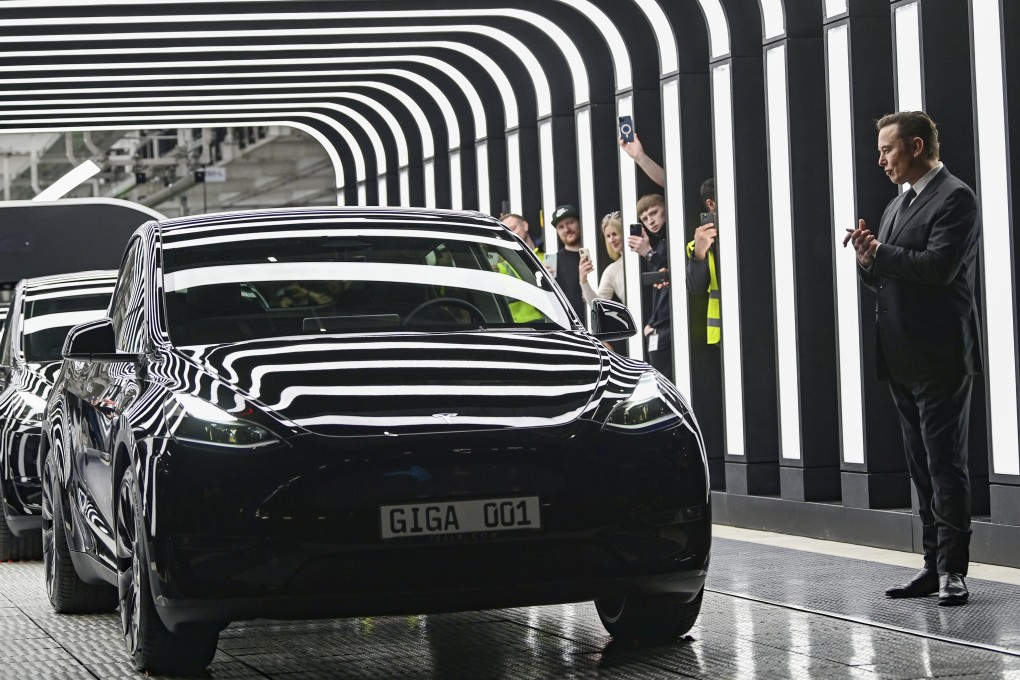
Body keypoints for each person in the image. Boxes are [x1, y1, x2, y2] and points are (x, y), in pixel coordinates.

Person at [844, 111, 982, 607]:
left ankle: (954, 572)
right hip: (900, 355)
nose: (880, 159)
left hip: (941, 354)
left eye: (888, 149)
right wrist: (867, 260)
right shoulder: (896, 205)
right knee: (921, 466)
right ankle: (931, 564)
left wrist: (879, 253)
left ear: (917, 146)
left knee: (946, 465)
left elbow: (940, 268)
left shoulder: (956, 197)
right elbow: (886, 275)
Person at [627, 194, 672, 379]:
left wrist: (649, 253)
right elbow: (659, 290)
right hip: (658, 328)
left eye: (654, 213)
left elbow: (673, 276)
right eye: (645, 218)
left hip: (668, 328)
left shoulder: (671, 241)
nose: (650, 221)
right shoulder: (660, 244)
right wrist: (651, 323)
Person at [686, 179, 720, 344]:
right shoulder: (695, 246)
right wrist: (700, 253)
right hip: (723, 330)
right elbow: (696, 288)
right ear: (711, 204)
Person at [549, 204, 586, 325]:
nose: (566, 229)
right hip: (574, 330)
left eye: (570, 222)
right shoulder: (551, 261)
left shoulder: (596, 252)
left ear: (579, 222)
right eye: (560, 227)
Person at [579, 211, 625, 306]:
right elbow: (597, 305)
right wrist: (583, 280)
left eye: (615, 234)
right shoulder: (612, 270)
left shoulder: (644, 256)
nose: (612, 240)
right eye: (608, 236)